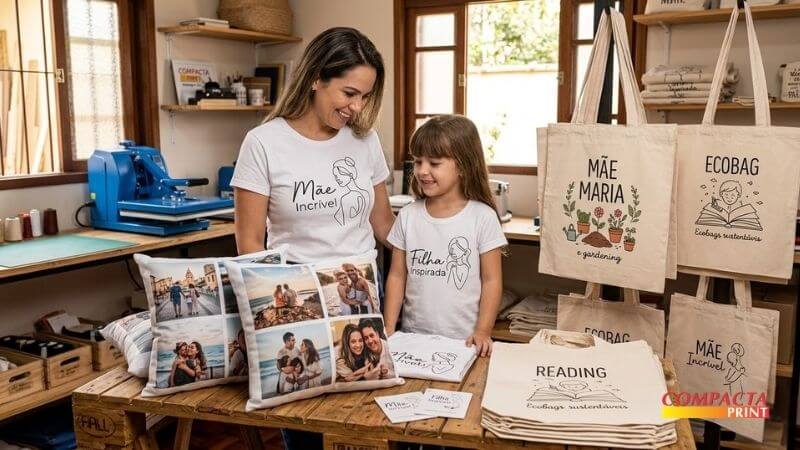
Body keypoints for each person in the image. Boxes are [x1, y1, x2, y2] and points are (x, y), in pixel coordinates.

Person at [231, 26, 394, 450]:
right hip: (300, 303)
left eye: (364, 96)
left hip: (362, 298)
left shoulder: (366, 140)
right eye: (349, 93)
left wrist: (454, 228)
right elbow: (249, 245)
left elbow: (384, 225)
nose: (357, 107)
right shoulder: (263, 143)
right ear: (316, 78)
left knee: (364, 423)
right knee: (305, 423)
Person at [383, 115, 507, 357]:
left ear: (462, 166)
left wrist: (483, 331)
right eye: (418, 161)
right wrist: (388, 327)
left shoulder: (482, 218)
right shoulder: (408, 216)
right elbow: (397, 276)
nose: (422, 170)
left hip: (464, 343)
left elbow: (492, 281)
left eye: (434, 163)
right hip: (412, 339)